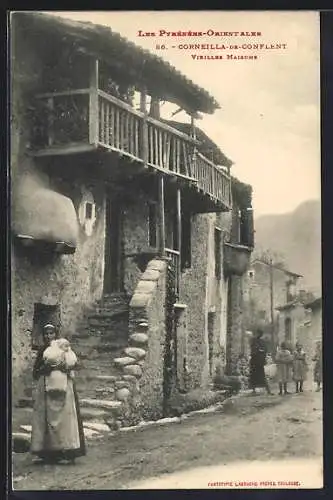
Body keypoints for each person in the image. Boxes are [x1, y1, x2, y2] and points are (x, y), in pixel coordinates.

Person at [30, 324, 86, 464]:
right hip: (46, 389)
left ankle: (69, 451)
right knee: (46, 420)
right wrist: (46, 368)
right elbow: (35, 372)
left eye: (51, 333)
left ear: (56, 334)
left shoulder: (64, 347)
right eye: (46, 334)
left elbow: (76, 364)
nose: (49, 336)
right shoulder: (43, 350)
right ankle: (48, 453)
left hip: (65, 389)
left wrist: (66, 367)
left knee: (66, 420)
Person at [249, 329, 273, 395]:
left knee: (262, 375)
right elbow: (253, 350)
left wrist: (260, 351)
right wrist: (258, 350)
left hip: (259, 361)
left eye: (260, 334)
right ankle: (253, 390)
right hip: (254, 361)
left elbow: (265, 349)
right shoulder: (253, 341)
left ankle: (268, 390)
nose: (259, 335)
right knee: (253, 375)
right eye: (258, 333)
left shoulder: (262, 341)